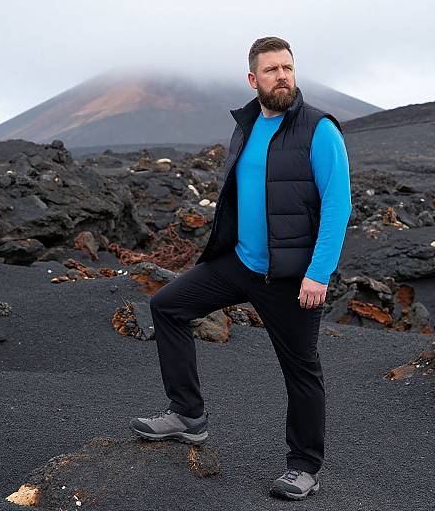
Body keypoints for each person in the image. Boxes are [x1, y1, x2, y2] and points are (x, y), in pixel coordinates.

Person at [130, 36, 352, 501]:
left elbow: (338, 205)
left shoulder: (319, 129)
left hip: (291, 277)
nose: (282, 76)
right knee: (167, 306)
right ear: (253, 80)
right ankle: (188, 415)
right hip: (241, 262)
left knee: (302, 371)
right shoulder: (247, 126)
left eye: (288, 68)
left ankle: (304, 466)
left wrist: (319, 273)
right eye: (271, 70)